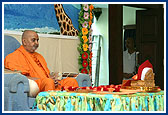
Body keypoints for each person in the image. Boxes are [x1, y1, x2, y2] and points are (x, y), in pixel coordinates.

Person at [4, 30, 78, 96]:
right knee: (48, 82)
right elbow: (20, 77)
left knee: (71, 81)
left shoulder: (39, 56)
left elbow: (46, 74)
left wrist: (53, 78)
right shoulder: (13, 57)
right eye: (33, 40)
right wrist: (45, 80)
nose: (36, 43)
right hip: (36, 84)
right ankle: (52, 107)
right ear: (24, 42)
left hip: (47, 82)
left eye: (37, 40)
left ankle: (71, 106)